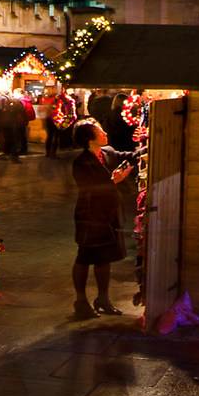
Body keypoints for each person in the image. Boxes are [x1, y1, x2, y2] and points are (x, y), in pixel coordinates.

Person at [70, 121, 132, 318]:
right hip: (90, 215)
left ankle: (103, 299)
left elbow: (129, 156)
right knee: (85, 257)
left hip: (109, 214)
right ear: (90, 139)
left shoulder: (107, 153)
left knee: (104, 257)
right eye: (100, 131)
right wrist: (114, 181)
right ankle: (81, 301)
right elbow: (89, 188)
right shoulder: (81, 162)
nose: (105, 133)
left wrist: (147, 145)